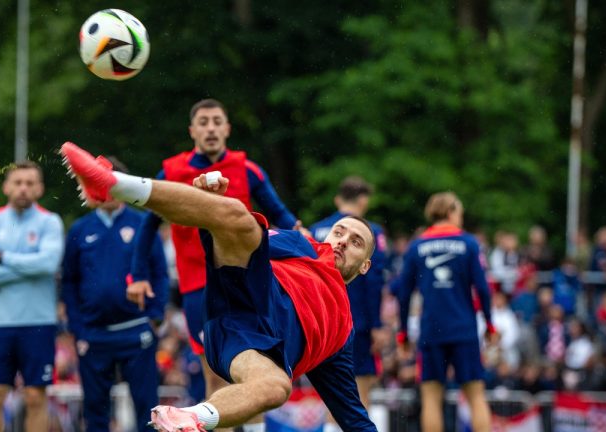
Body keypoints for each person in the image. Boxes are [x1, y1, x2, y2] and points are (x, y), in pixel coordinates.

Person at [60, 142, 377, 431]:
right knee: (239, 216)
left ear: (365, 265)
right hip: (244, 293)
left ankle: (190, 417)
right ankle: (114, 184)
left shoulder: (342, 332)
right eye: (339, 232)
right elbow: (241, 239)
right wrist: (211, 204)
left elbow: (354, 417)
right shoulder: (303, 245)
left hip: (247, 347)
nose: (342, 241)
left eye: (356, 242)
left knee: (277, 387)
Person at [127, 98, 298, 407]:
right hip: (199, 288)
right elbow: (147, 226)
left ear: (227, 129)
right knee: (216, 373)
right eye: (203, 123)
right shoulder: (171, 171)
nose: (211, 129)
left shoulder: (248, 170)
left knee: (259, 368)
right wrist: (138, 275)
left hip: (249, 285)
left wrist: (304, 244)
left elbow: (282, 216)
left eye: (217, 122)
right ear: (192, 131)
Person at [62, 157, 170, 432]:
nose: (104, 190)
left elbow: (160, 273)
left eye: (109, 183)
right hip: (94, 334)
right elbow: (69, 282)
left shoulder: (143, 224)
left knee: (148, 408)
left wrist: (155, 317)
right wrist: (78, 328)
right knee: (95, 409)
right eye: (96, 183)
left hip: (136, 331)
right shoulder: (80, 229)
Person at [391, 192, 496, 432]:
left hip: (431, 330)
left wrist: (403, 333)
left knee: (431, 398)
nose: (461, 217)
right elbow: (483, 288)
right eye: (459, 212)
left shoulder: (416, 246)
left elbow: (404, 294)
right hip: (464, 329)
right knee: (475, 396)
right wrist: (489, 325)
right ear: (450, 211)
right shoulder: (469, 243)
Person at [0, 161, 64, 431]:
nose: (23, 188)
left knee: (36, 397)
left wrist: (4, 259)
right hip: (0, 323)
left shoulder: (50, 222)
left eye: (30, 183)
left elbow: (48, 264)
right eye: (18, 182)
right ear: (6, 186)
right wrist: (28, 268)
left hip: (39, 322)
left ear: (40, 188)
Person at [309, 176, 387, 425]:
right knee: (357, 393)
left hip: (317, 318)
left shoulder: (317, 230)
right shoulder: (371, 233)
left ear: (337, 199)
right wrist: (377, 324)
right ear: (363, 200)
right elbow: (373, 282)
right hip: (355, 321)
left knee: (330, 390)